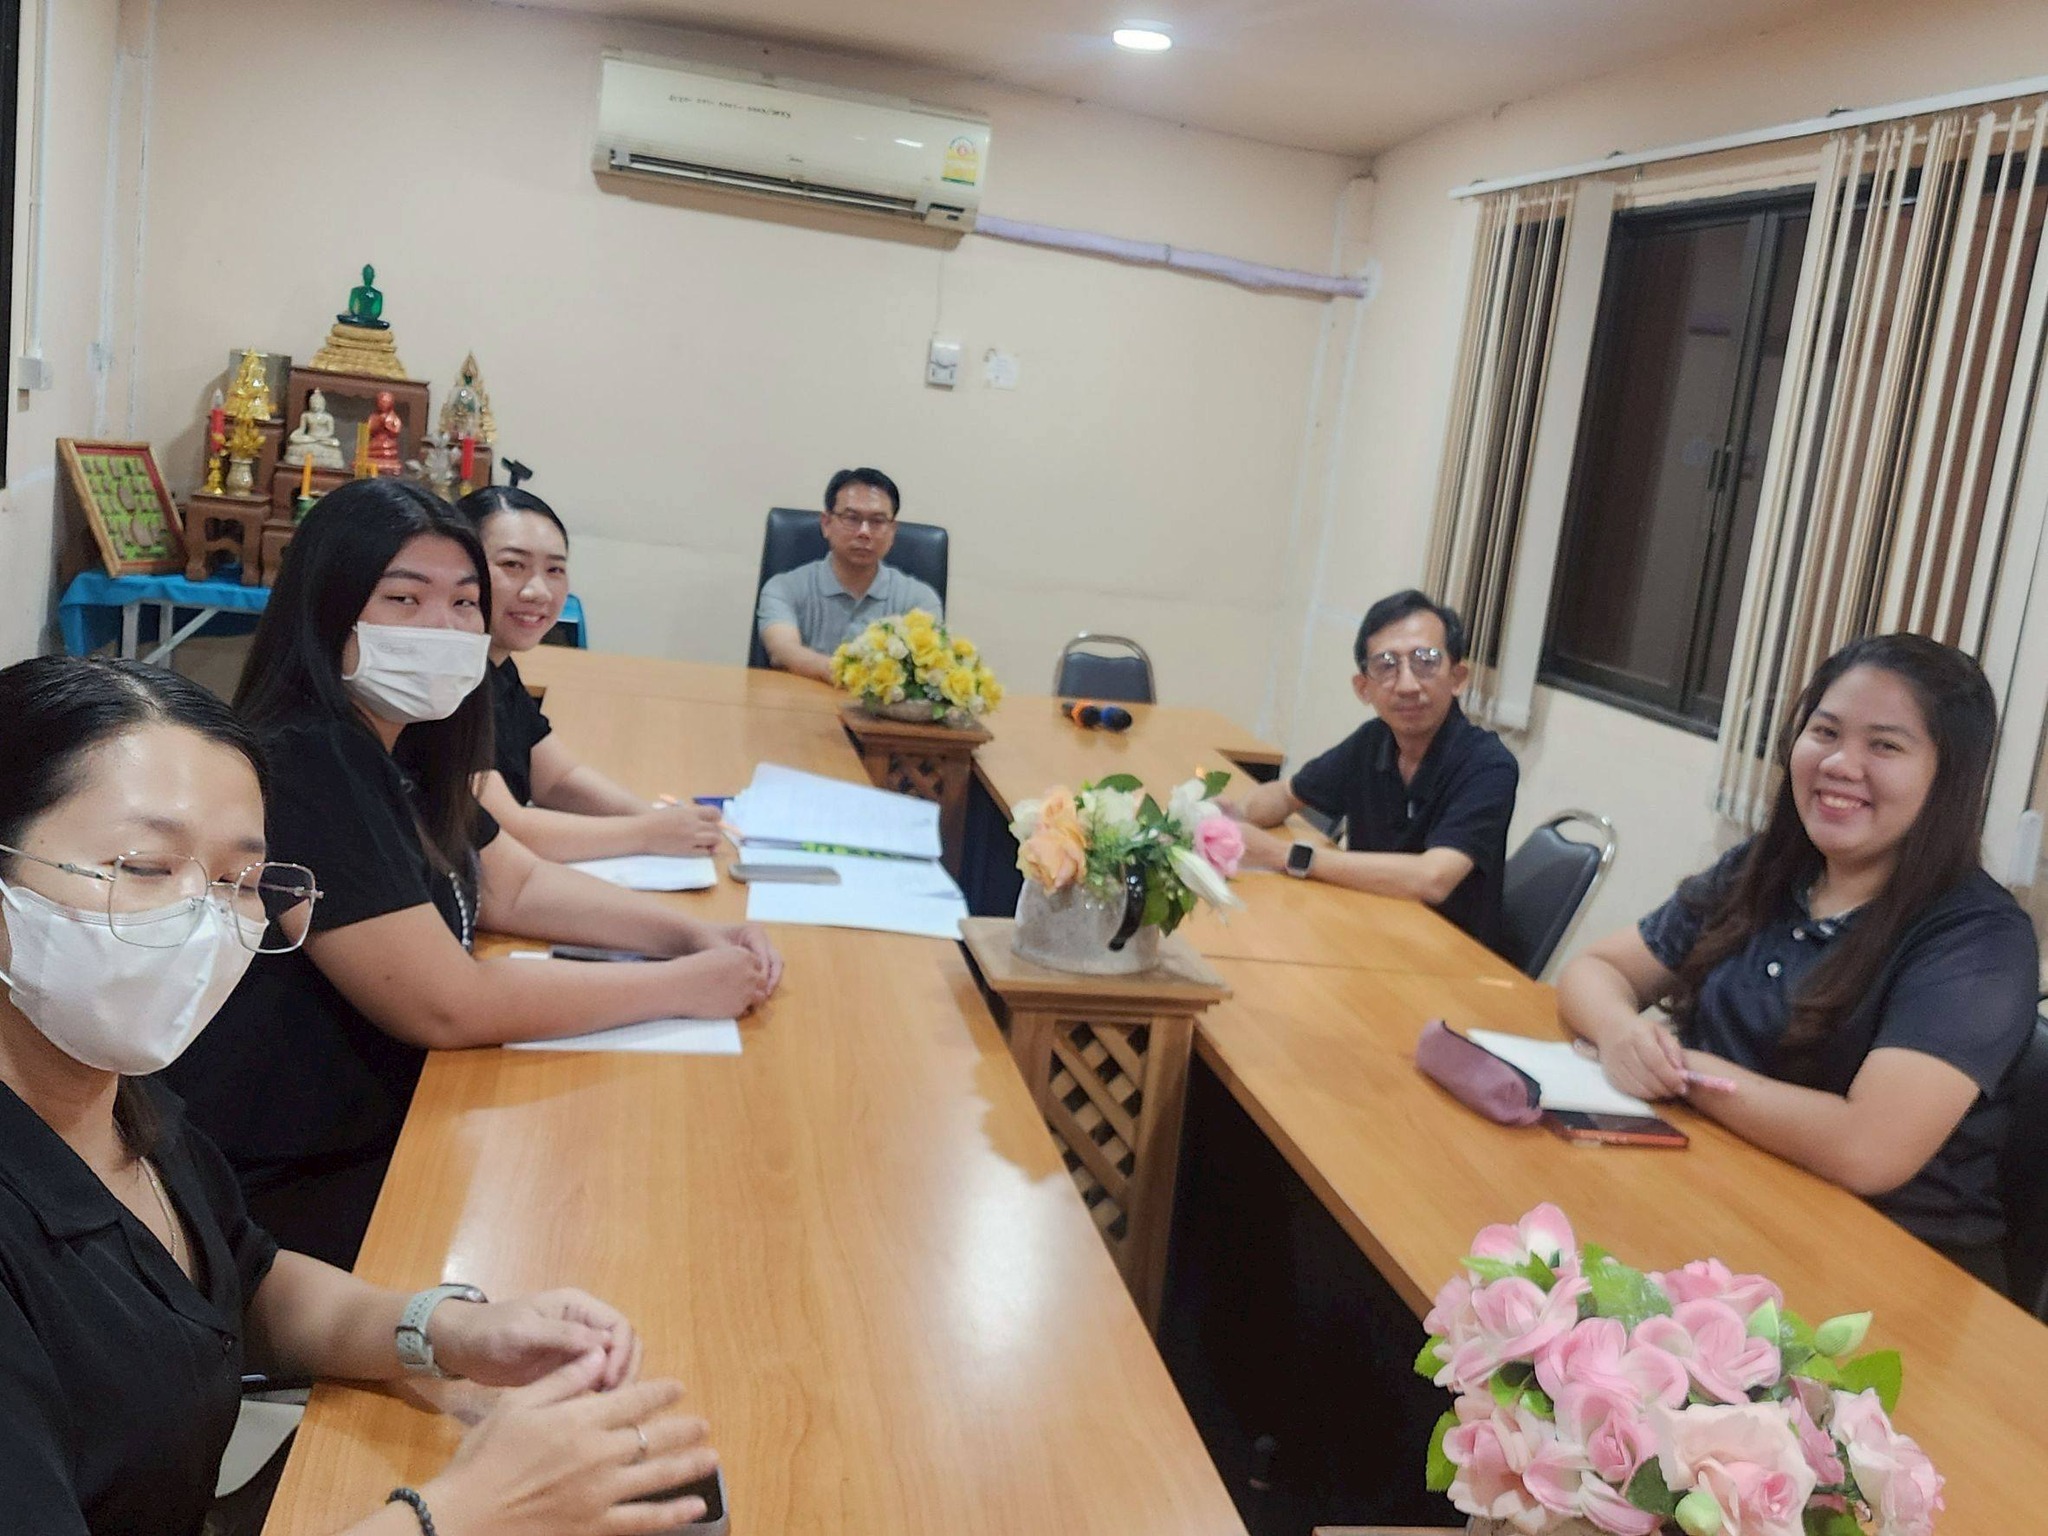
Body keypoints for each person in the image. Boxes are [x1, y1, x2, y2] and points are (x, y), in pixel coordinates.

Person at [0, 654, 718, 1536]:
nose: (201, 921)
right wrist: (461, 1513)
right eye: (145, 866)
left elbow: (244, 1283)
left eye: (239, 881)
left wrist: (443, 1331)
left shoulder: (115, 1097)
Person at [167, 482, 783, 1269]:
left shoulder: (413, 738)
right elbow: (448, 1005)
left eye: (464, 602)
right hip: (290, 1185)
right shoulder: (307, 758)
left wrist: (692, 936)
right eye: (404, 599)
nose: (445, 628)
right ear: (328, 610)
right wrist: (683, 986)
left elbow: (514, 885)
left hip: (399, 1118)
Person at [1557, 634, 2038, 1287]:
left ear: (1948, 776)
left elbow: (1868, 1149)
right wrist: (1621, 1034)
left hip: (1886, 1269)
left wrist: (1684, 1072)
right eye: (1826, 732)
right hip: (1718, 1199)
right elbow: (1595, 971)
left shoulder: (1979, 940)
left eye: (1885, 746)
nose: (1840, 763)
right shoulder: (1769, 868)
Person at [1225, 589, 1520, 953]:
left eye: (1426, 661)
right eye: (1386, 665)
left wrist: (1283, 855)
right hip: (1364, 930)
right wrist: (1232, 818)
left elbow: (1433, 878)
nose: (1408, 684)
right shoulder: (1372, 741)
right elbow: (1287, 794)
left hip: (1445, 958)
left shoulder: (1488, 765)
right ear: (1363, 688)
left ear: (1457, 678)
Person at [438, 486, 722, 862]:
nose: (539, 591)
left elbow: (556, 780)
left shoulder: (496, 665)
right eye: (513, 565)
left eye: (554, 570)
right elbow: (506, 831)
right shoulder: (444, 684)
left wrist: (656, 818)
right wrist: (648, 833)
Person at [756, 467, 943, 681]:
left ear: (892, 531)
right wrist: (852, 675)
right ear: (826, 524)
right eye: (852, 518)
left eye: (877, 521)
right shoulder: (783, 588)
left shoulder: (920, 601)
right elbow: (783, 651)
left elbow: (926, 670)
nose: (864, 532)